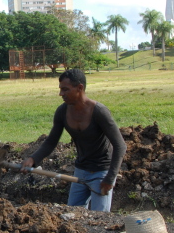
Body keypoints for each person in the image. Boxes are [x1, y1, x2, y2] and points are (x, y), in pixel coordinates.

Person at [20, 68, 126, 212]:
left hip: (102, 172)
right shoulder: (62, 111)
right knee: (73, 215)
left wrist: (110, 178)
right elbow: (51, 141)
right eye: (60, 89)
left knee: (99, 219)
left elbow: (120, 146)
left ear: (80, 88)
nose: (61, 94)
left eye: (65, 90)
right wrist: (33, 159)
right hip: (81, 170)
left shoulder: (99, 112)